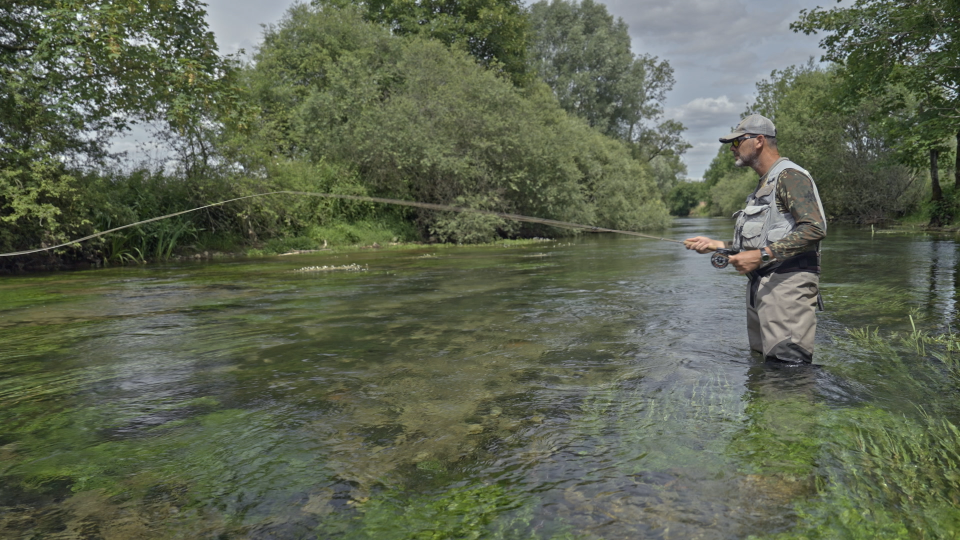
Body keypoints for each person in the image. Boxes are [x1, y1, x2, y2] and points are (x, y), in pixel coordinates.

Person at [685, 114, 827, 363]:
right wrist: (717, 246)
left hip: (787, 289)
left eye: (738, 141)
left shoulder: (790, 176)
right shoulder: (764, 185)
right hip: (762, 290)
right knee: (763, 372)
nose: (733, 148)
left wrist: (763, 255)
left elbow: (815, 228)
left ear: (759, 140)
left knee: (788, 374)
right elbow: (760, 241)